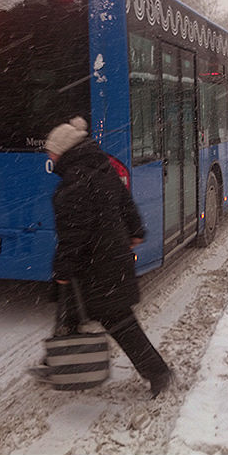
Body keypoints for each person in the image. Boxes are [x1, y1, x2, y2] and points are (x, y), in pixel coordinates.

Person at [35, 116, 173, 399]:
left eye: (50, 151)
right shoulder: (99, 168)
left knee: (118, 320)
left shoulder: (74, 183)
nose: (48, 157)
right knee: (70, 311)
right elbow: (124, 200)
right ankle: (55, 363)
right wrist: (134, 229)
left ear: (62, 152)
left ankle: (158, 372)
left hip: (97, 264)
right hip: (108, 256)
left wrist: (62, 268)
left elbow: (73, 235)